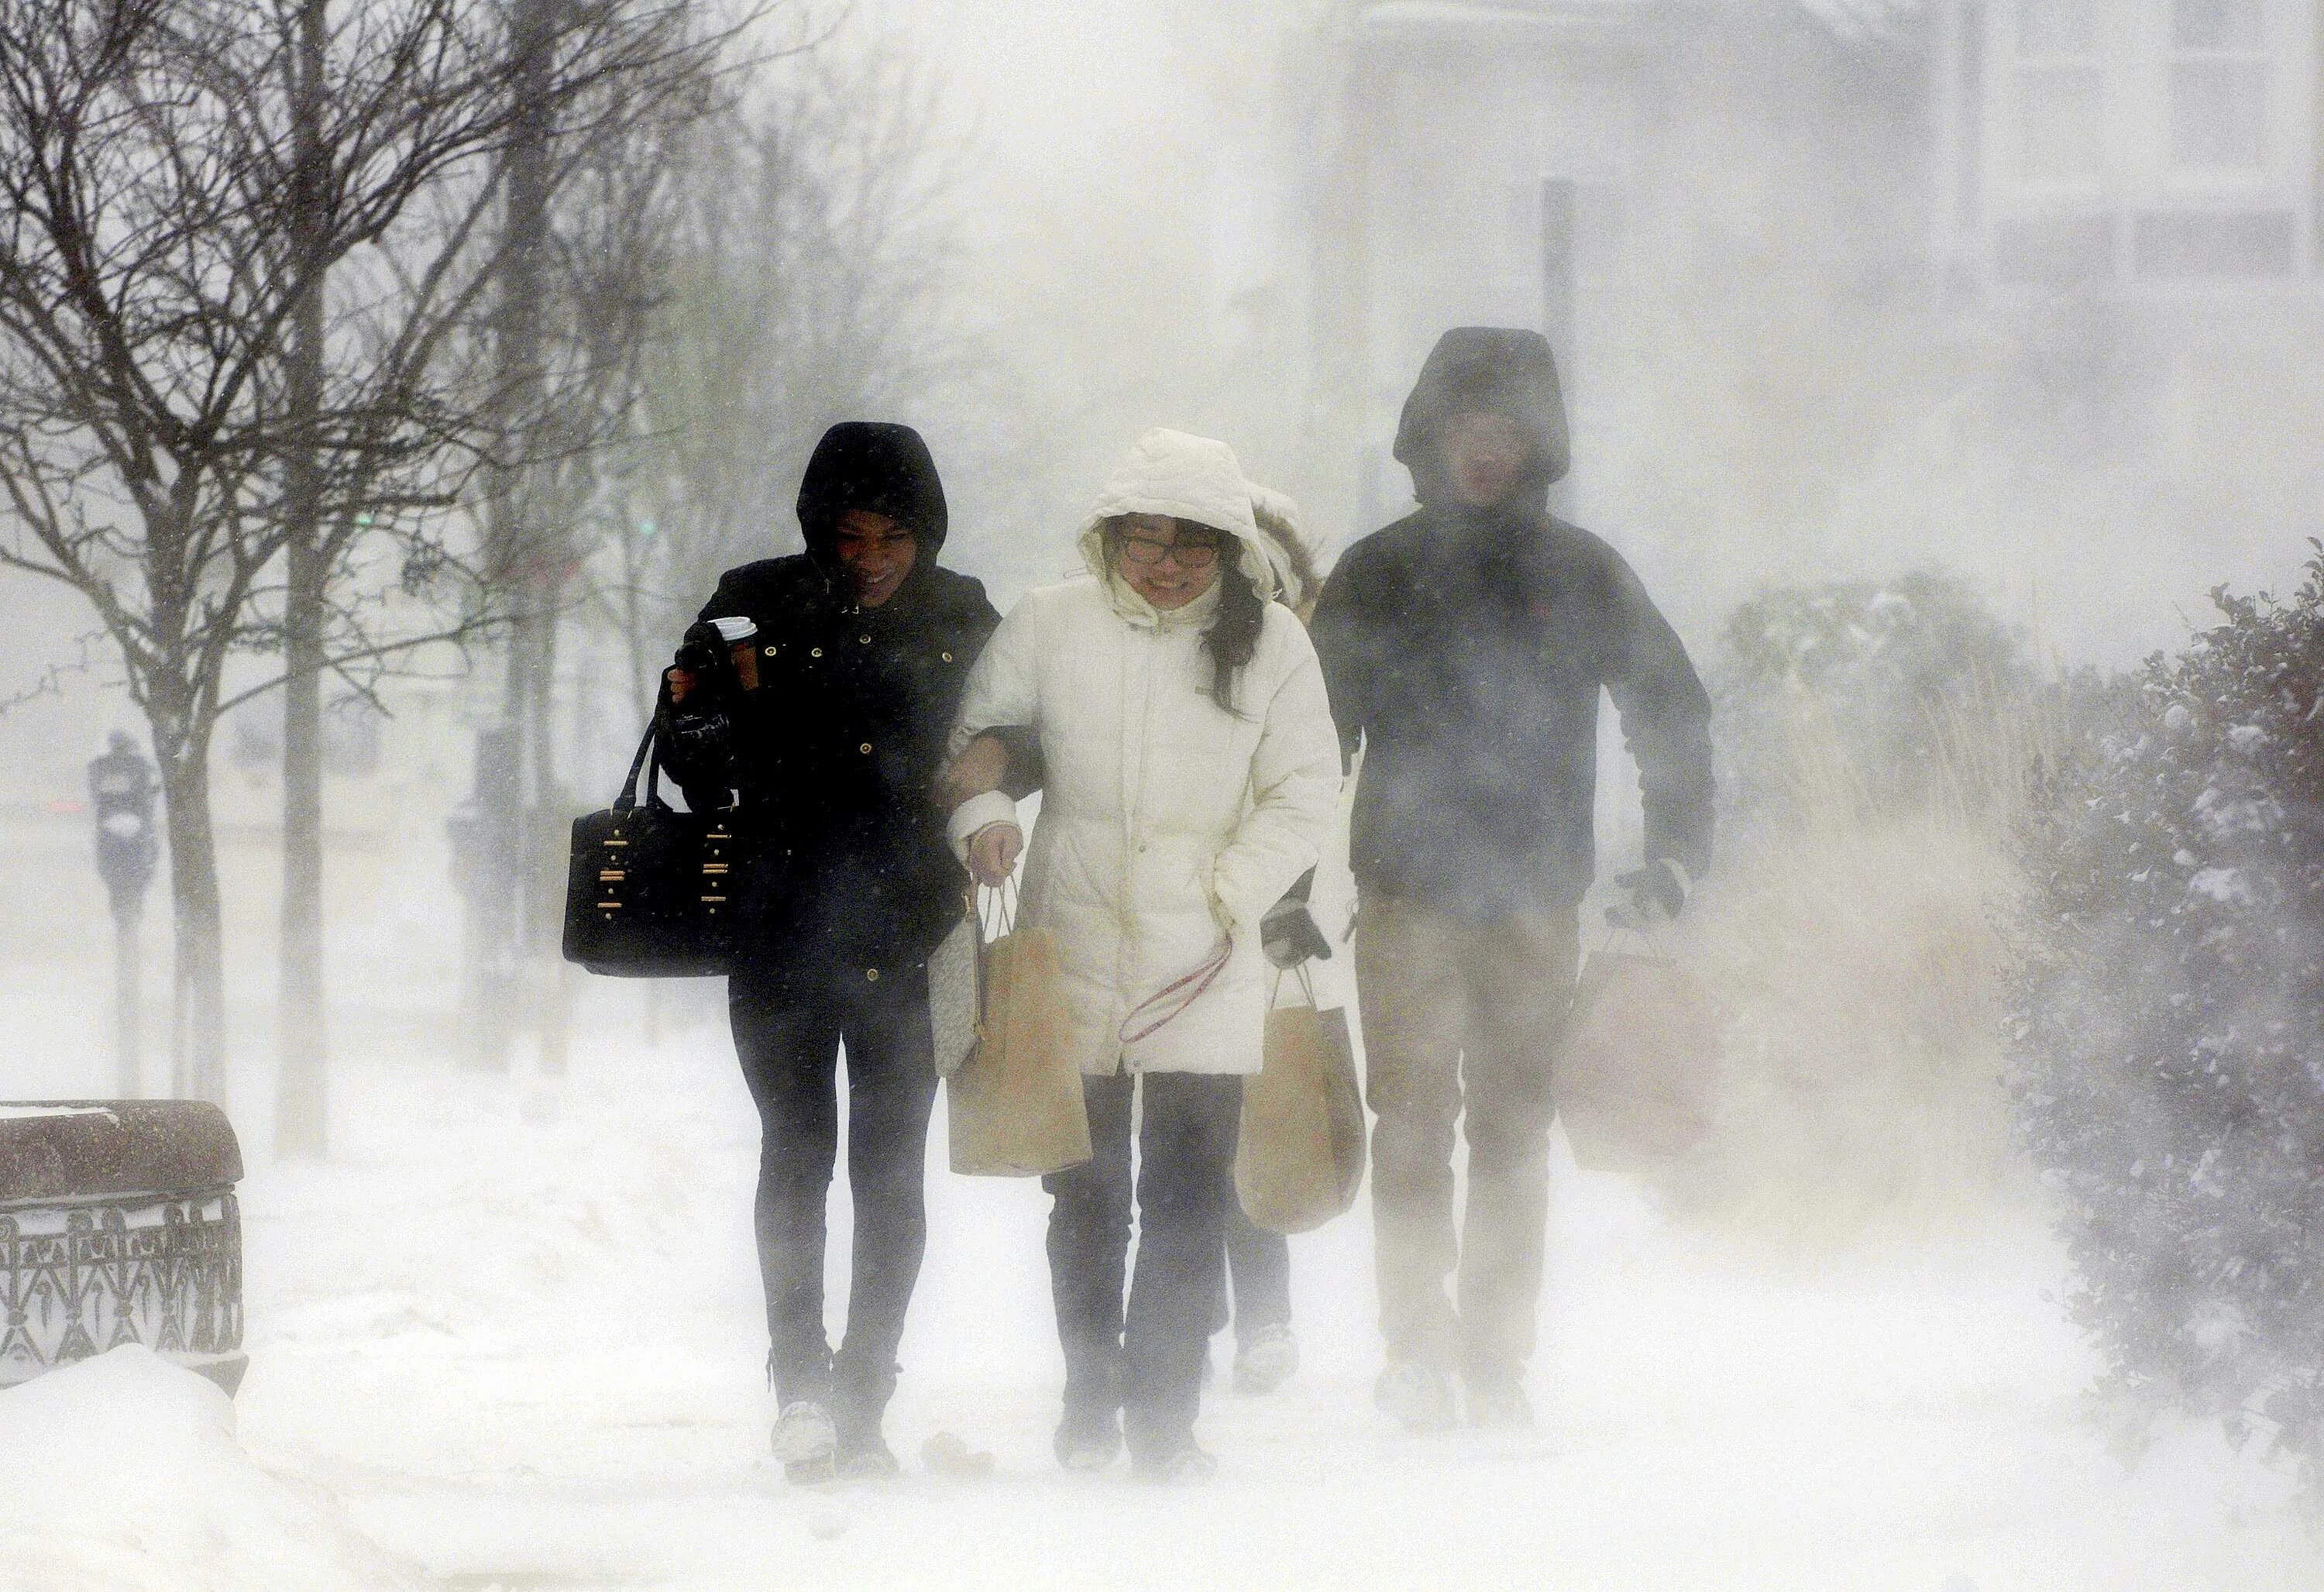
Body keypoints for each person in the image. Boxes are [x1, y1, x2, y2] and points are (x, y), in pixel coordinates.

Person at [1308, 328, 1715, 1432]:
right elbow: (1307, 738)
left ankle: (1495, 1353)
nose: (1485, 452)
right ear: (1427, 440)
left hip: (1536, 896)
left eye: (1506, 432)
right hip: (1404, 893)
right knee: (1410, 1120)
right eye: (1464, 431)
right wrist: (1291, 883)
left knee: (1515, 1126)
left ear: (1537, 444)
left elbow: (1668, 704)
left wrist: (1675, 847)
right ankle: (1413, 1345)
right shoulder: (1379, 572)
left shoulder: (1581, 572)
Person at [941, 429, 1341, 1480]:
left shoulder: (1275, 648)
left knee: (1188, 1189)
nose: (1167, 563)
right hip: (1070, 937)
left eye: (1193, 545)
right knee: (1085, 1191)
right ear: (1109, 535)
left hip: (1207, 949)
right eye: (1145, 540)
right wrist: (983, 814)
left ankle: (1164, 1417)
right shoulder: (1050, 622)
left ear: (1229, 546)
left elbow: (1305, 790)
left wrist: (1233, 887)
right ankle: (1089, 1389)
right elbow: (979, 735)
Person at [657, 421, 1008, 1482]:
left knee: (890, 1170)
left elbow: (1024, 722)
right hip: (780, 927)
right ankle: (798, 1379)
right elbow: (678, 730)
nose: (869, 556)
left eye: (893, 535)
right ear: (817, 526)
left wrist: (1001, 756)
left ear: (927, 534)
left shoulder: (965, 613)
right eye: (848, 534)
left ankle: (866, 1392)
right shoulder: (751, 598)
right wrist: (708, 740)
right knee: (796, 1153)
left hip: (911, 931)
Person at [1207, 484, 1341, 1398]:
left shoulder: (1312, 668)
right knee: (1183, 1121)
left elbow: (1319, 791)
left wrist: (1295, 898)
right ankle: (1195, 1306)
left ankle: (1263, 1315)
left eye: (1275, 577)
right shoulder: (1172, 659)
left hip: (1282, 923)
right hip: (1180, 913)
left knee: (1255, 1117)